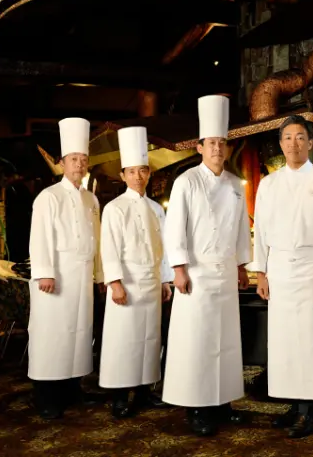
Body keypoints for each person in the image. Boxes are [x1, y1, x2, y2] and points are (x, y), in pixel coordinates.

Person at [161, 95, 252, 436]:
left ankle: (223, 402)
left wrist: (242, 265)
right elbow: (175, 228)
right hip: (196, 273)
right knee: (198, 340)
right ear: (199, 147)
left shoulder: (235, 184)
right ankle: (198, 407)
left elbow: (240, 228)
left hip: (225, 272)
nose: (217, 148)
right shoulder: (186, 181)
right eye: (211, 143)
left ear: (228, 148)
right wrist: (178, 268)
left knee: (226, 341)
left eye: (222, 143)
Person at [252, 114, 313, 439]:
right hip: (279, 271)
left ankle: (310, 411)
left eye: (300, 137)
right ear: (281, 144)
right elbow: (261, 230)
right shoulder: (269, 183)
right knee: (286, 344)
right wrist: (261, 272)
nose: (294, 144)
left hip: (311, 270)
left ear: (310, 143)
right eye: (288, 138)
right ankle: (294, 404)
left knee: (312, 344)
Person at [28, 117, 105, 420]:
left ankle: (74, 389)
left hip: (82, 276)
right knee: (53, 335)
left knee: (79, 333)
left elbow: (97, 239)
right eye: (74, 159)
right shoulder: (49, 197)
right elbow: (40, 237)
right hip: (57, 275)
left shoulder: (91, 199)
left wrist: (99, 274)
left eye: (83, 159)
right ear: (62, 163)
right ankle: (46, 397)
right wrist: (45, 272)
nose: (79, 164)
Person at [98, 126, 174, 418]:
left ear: (149, 173)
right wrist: (115, 282)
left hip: (152, 282)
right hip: (127, 282)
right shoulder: (114, 208)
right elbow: (109, 247)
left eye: (142, 171)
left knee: (150, 338)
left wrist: (165, 280)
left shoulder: (156, 209)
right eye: (132, 172)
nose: (138, 176)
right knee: (123, 340)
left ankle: (144, 391)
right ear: (123, 176)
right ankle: (119, 396)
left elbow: (164, 247)